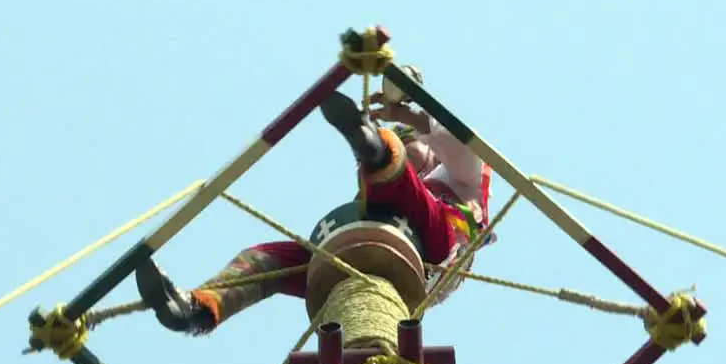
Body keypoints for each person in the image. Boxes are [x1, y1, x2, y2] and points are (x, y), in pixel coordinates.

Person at [135, 69, 494, 336]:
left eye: (416, 144)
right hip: (366, 240)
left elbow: (457, 138)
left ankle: (373, 146)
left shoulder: (463, 183)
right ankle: (196, 309)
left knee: (392, 173)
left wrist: (405, 117)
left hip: (431, 250)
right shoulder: (390, 187)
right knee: (267, 260)